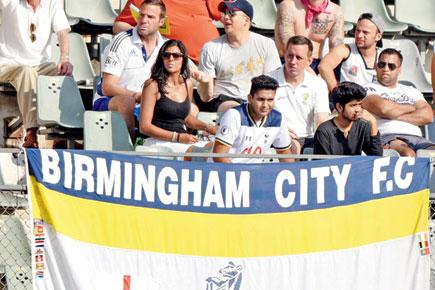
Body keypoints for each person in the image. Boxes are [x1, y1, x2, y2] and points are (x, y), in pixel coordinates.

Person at [0, 0, 72, 148]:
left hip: (40, 66)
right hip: (8, 64)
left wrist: (64, 58)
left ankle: (61, 134)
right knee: (26, 72)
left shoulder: (52, 3)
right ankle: (31, 132)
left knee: (64, 74)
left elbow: (62, 32)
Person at [93, 0, 167, 139]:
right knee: (127, 102)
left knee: (191, 109)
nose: (144, 20)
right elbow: (107, 87)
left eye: (150, 17)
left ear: (161, 22)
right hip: (110, 100)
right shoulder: (121, 41)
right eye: (141, 15)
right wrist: (136, 96)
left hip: (147, 102)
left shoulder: (166, 47)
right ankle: (129, 152)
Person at [197, 0, 281, 113]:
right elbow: (205, 97)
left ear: (246, 20)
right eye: (225, 13)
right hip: (223, 101)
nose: (226, 17)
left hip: (257, 100)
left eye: (232, 13)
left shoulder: (266, 44)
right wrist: (205, 82)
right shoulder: (210, 47)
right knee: (236, 111)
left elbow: (272, 83)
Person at [139, 39, 217, 153]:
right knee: (203, 153)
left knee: (219, 148)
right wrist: (177, 137)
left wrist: (209, 128)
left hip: (181, 141)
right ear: (162, 59)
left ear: (183, 60)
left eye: (176, 55)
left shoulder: (188, 84)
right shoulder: (152, 85)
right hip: (159, 142)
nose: (171, 59)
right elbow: (144, 126)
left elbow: (186, 118)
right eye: (166, 55)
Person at [362, 48, 434, 157]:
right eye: (382, 64)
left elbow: (428, 116)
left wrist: (393, 114)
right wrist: (413, 107)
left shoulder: (412, 90)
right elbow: (384, 109)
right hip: (387, 136)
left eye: (391, 66)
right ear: (376, 67)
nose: (386, 69)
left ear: (399, 70)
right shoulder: (367, 88)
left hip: (417, 138)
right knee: (407, 154)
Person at [269, 36, 330, 154]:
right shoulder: (269, 80)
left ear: (309, 61)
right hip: (275, 136)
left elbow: (321, 119)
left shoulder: (318, 84)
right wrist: (281, 130)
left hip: (308, 139)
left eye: (299, 58)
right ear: (284, 55)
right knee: (291, 147)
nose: (293, 62)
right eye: (290, 56)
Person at [213, 75, 293, 163]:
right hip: (228, 171)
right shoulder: (234, 115)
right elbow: (219, 156)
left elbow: (284, 153)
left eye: (270, 100)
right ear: (250, 98)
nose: (265, 105)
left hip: (254, 173)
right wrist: (239, 174)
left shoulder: (278, 119)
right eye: (261, 99)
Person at [113, 0, 221, 64]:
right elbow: (119, 25)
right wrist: (147, 35)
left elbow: (228, 13)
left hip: (214, 58)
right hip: (174, 61)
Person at [319, 12, 384, 91]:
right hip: (350, 101)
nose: (359, 35)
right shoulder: (345, 50)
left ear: (378, 36)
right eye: (357, 30)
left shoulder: (385, 57)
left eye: (365, 32)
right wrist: (337, 92)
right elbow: (324, 66)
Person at [314, 82, 382, 155]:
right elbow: (323, 164)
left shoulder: (363, 126)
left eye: (360, 105)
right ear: (339, 107)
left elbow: (377, 159)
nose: (358, 109)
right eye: (353, 105)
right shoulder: (324, 131)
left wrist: (373, 124)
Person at [275, 0, 344, 73]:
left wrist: (324, 72)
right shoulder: (288, 6)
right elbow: (286, 46)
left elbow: (336, 51)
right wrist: (309, 72)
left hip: (315, 64)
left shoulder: (336, 12)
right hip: (289, 61)